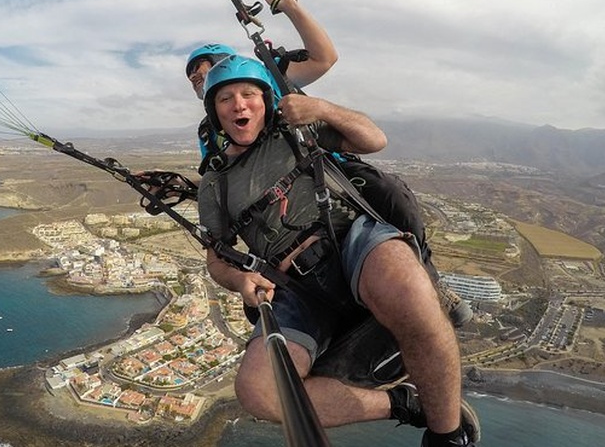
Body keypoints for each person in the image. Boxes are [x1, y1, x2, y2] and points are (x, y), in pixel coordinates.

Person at [196, 55, 480, 446]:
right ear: (215, 111)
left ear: (266, 100)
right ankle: (402, 404)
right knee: (259, 392)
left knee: (410, 290)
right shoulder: (214, 184)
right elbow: (216, 257)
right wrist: (241, 279)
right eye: (226, 98)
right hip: (292, 285)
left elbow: (373, 139)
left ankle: (447, 434)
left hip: (348, 239)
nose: (239, 104)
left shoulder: (298, 132)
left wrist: (322, 109)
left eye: (248, 94)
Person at [183, 0, 472, 327]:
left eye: (203, 71)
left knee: (389, 193)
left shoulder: (268, 78)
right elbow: (226, 176)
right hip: (280, 217)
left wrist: (287, 5)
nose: (199, 81)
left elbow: (324, 58)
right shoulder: (210, 130)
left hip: (326, 168)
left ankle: (430, 279)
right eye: (194, 80)